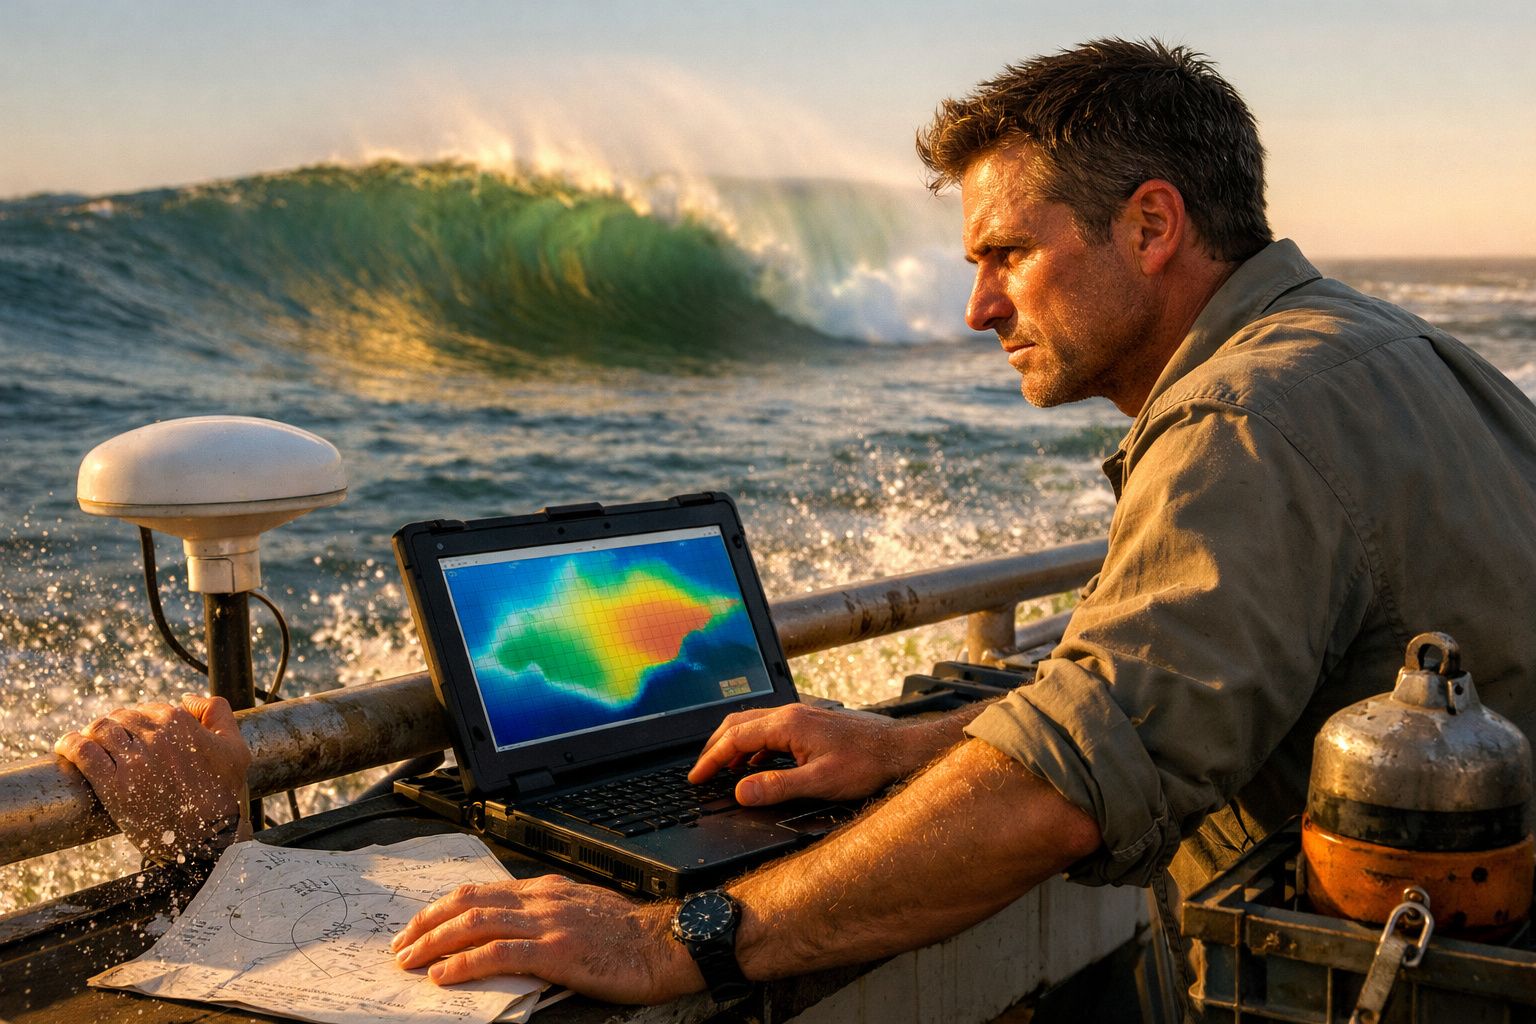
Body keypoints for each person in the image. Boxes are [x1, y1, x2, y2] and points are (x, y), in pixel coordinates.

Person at [55, 37, 1536, 1013]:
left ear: (1152, 228)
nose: (974, 306)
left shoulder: (1244, 422)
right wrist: (905, 745)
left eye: (1006, 252)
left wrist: (670, 938)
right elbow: (1148, 689)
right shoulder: (1378, 347)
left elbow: (1065, 789)